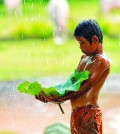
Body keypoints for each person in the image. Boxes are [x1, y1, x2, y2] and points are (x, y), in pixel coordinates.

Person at [36, 19, 110, 134]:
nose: (80, 47)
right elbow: (70, 85)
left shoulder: (102, 62)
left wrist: (59, 99)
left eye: (82, 43)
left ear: (95, 39)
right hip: (75, 113)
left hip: (88, 114)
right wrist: (50, 94)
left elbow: (83, 87)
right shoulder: (84, 58)